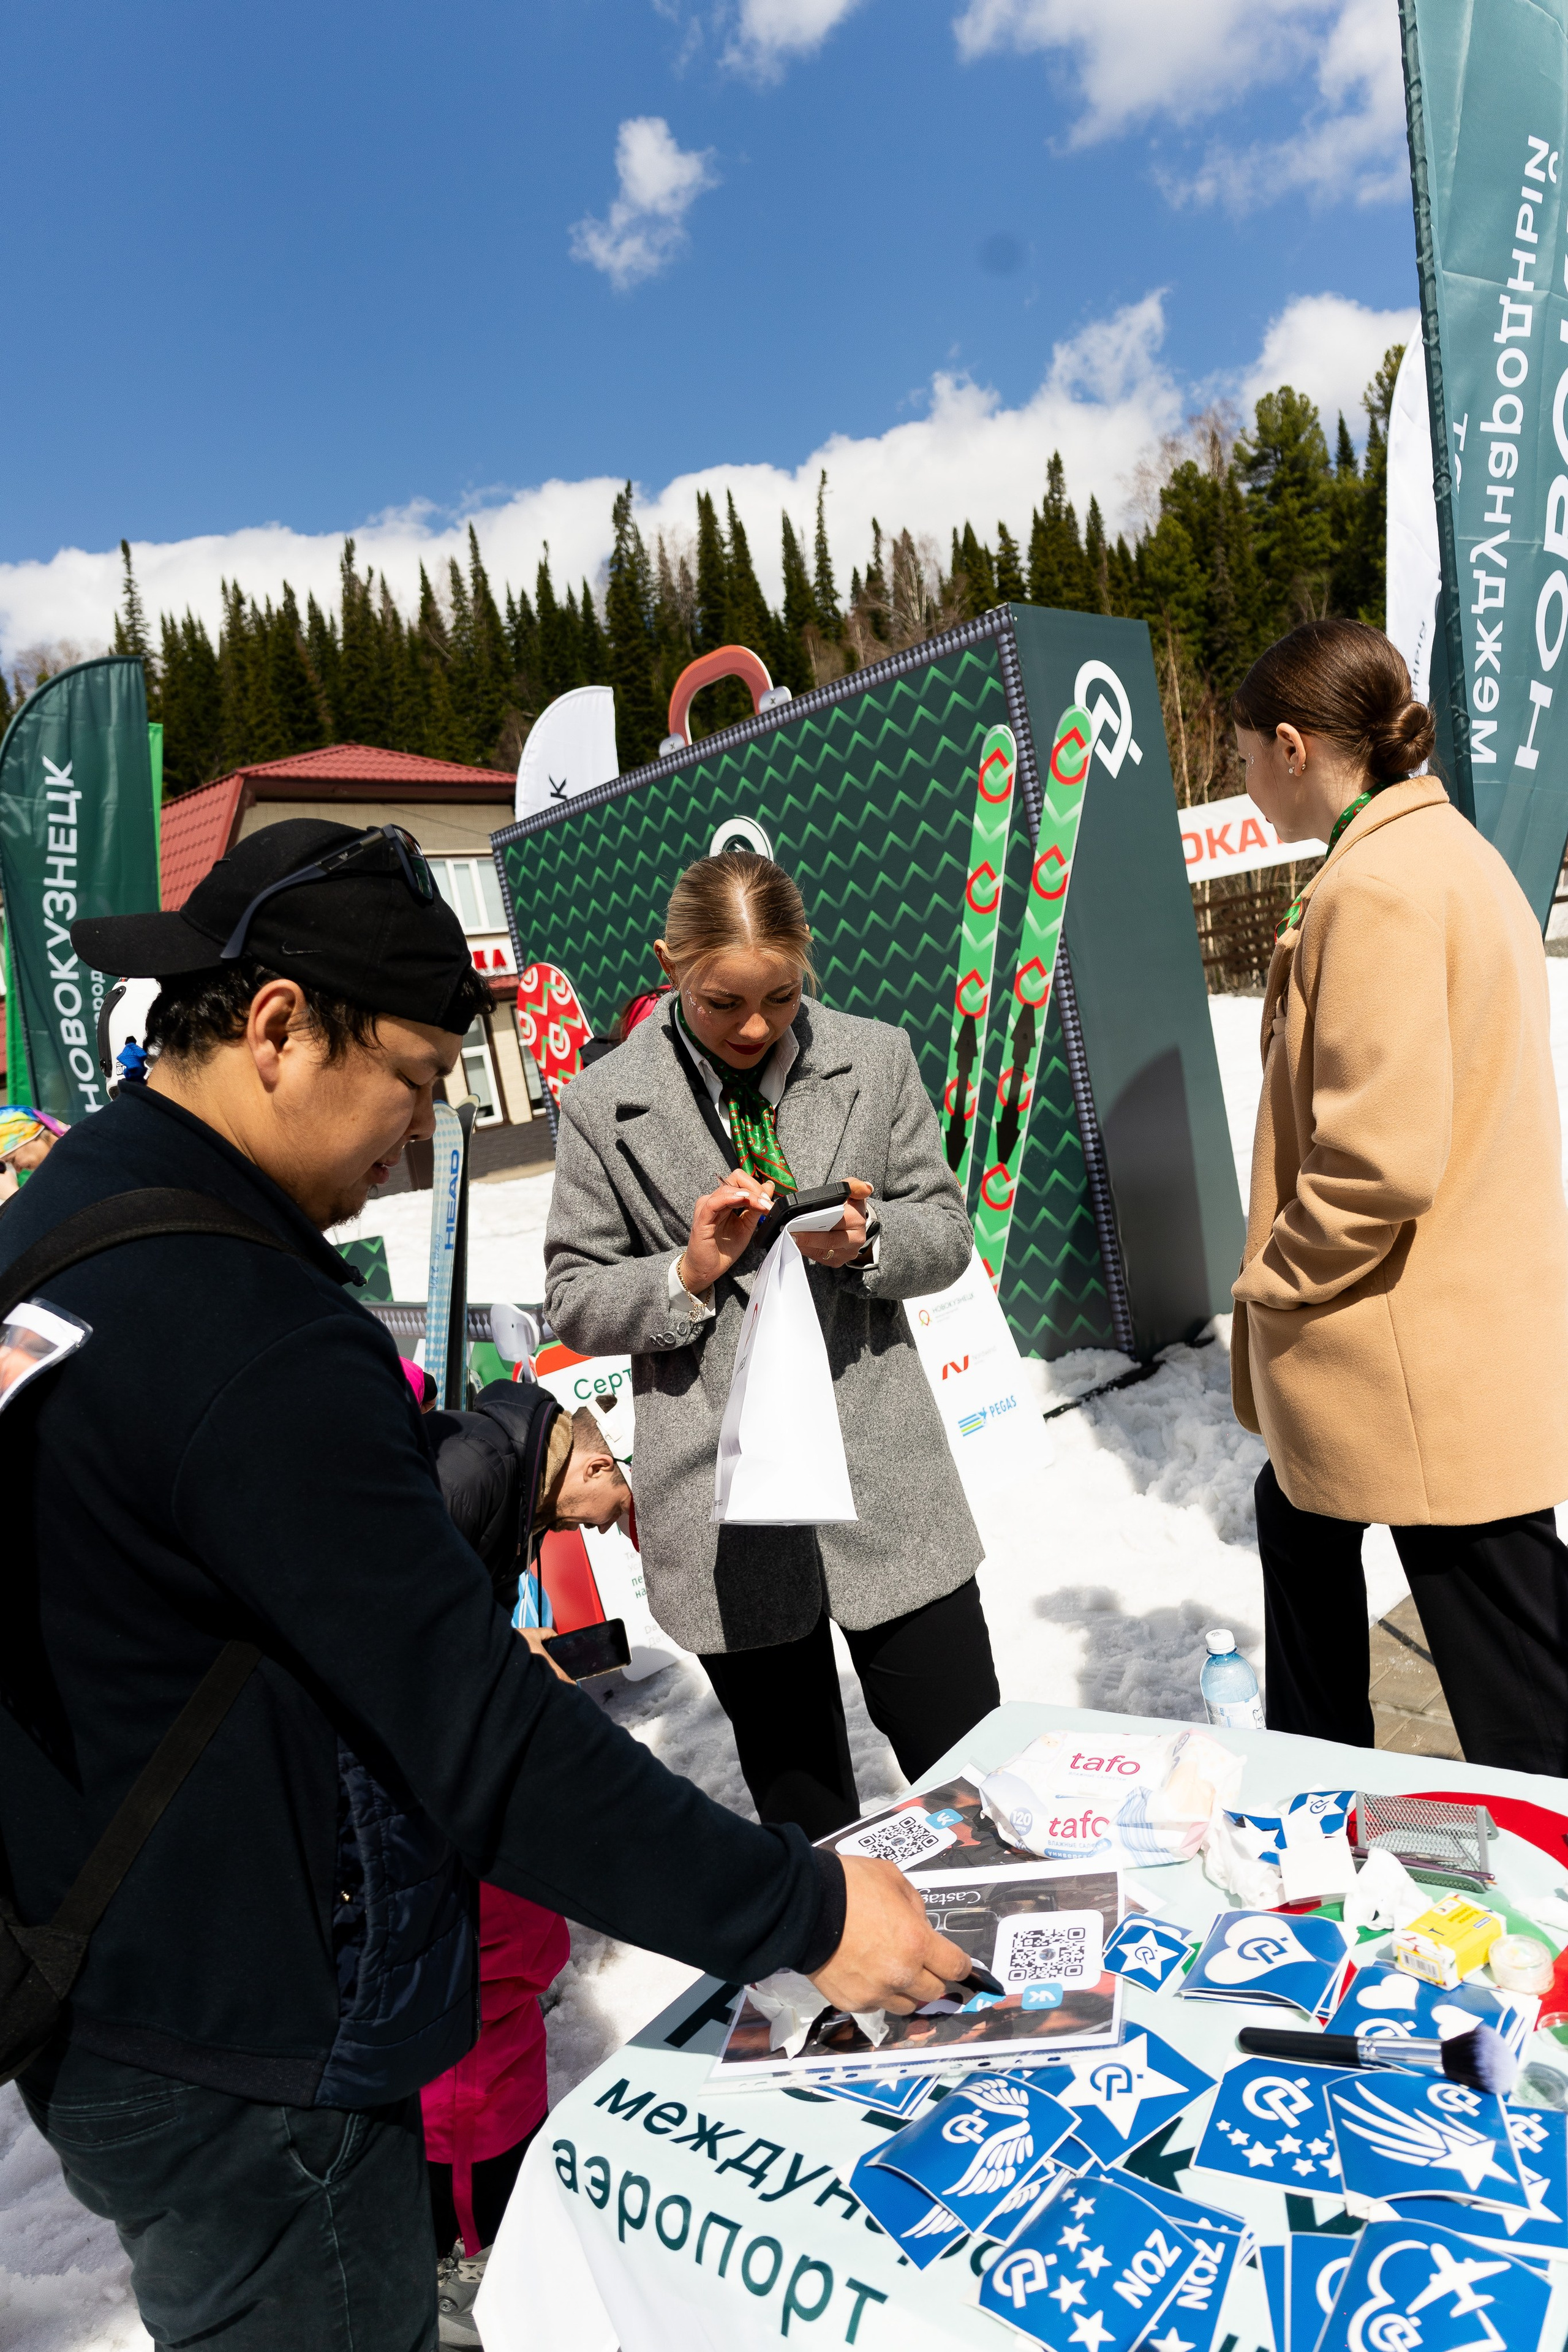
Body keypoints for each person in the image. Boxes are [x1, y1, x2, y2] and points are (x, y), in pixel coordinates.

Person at [0, 819, 973, 2352]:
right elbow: (480, 1738)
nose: (411, 1144)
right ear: (274, 1030)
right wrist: (790, 1907)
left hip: (116, 1976)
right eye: (412, 1086)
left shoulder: (65, 1224)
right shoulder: (241, 1321)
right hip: (254, 2041)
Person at [545, 851, 1000, 1839]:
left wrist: (871, 1241)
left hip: (883, 1473)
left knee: (976, 1778)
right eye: (722, 1003)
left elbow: (949, 1232)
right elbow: (574, 1297)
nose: (755, 1027)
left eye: (781, 997)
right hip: (720, 1502)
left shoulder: (875, 1058)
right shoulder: (603, 1104)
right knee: (807, 1812)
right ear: (669, 966)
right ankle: (850, 1977)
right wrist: (688, 1271)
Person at [1229, 619, 1568, 1770]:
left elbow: (1378, 1160)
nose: (1242, 781)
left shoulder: (1371, 887)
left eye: (1239, 756)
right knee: (1307, 1536)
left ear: (1290, 745)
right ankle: (1320, 1818)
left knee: (1522, 1700)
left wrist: (1270, 1278)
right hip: (1453, 1343)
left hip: (1406, 1358)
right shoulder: (1455, 855)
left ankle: (1339, 1818)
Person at [420, 1392, 627, 2347]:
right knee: (483, 1987)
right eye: (603, 1512)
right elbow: (409, 1625)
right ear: (585, 1468)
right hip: (440, 1779)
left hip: (469, 1771)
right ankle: (467, 2243)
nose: (595, 1534)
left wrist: (506, 1653)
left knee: (507, 1955)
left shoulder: (498, 1462)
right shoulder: (475, 1478)